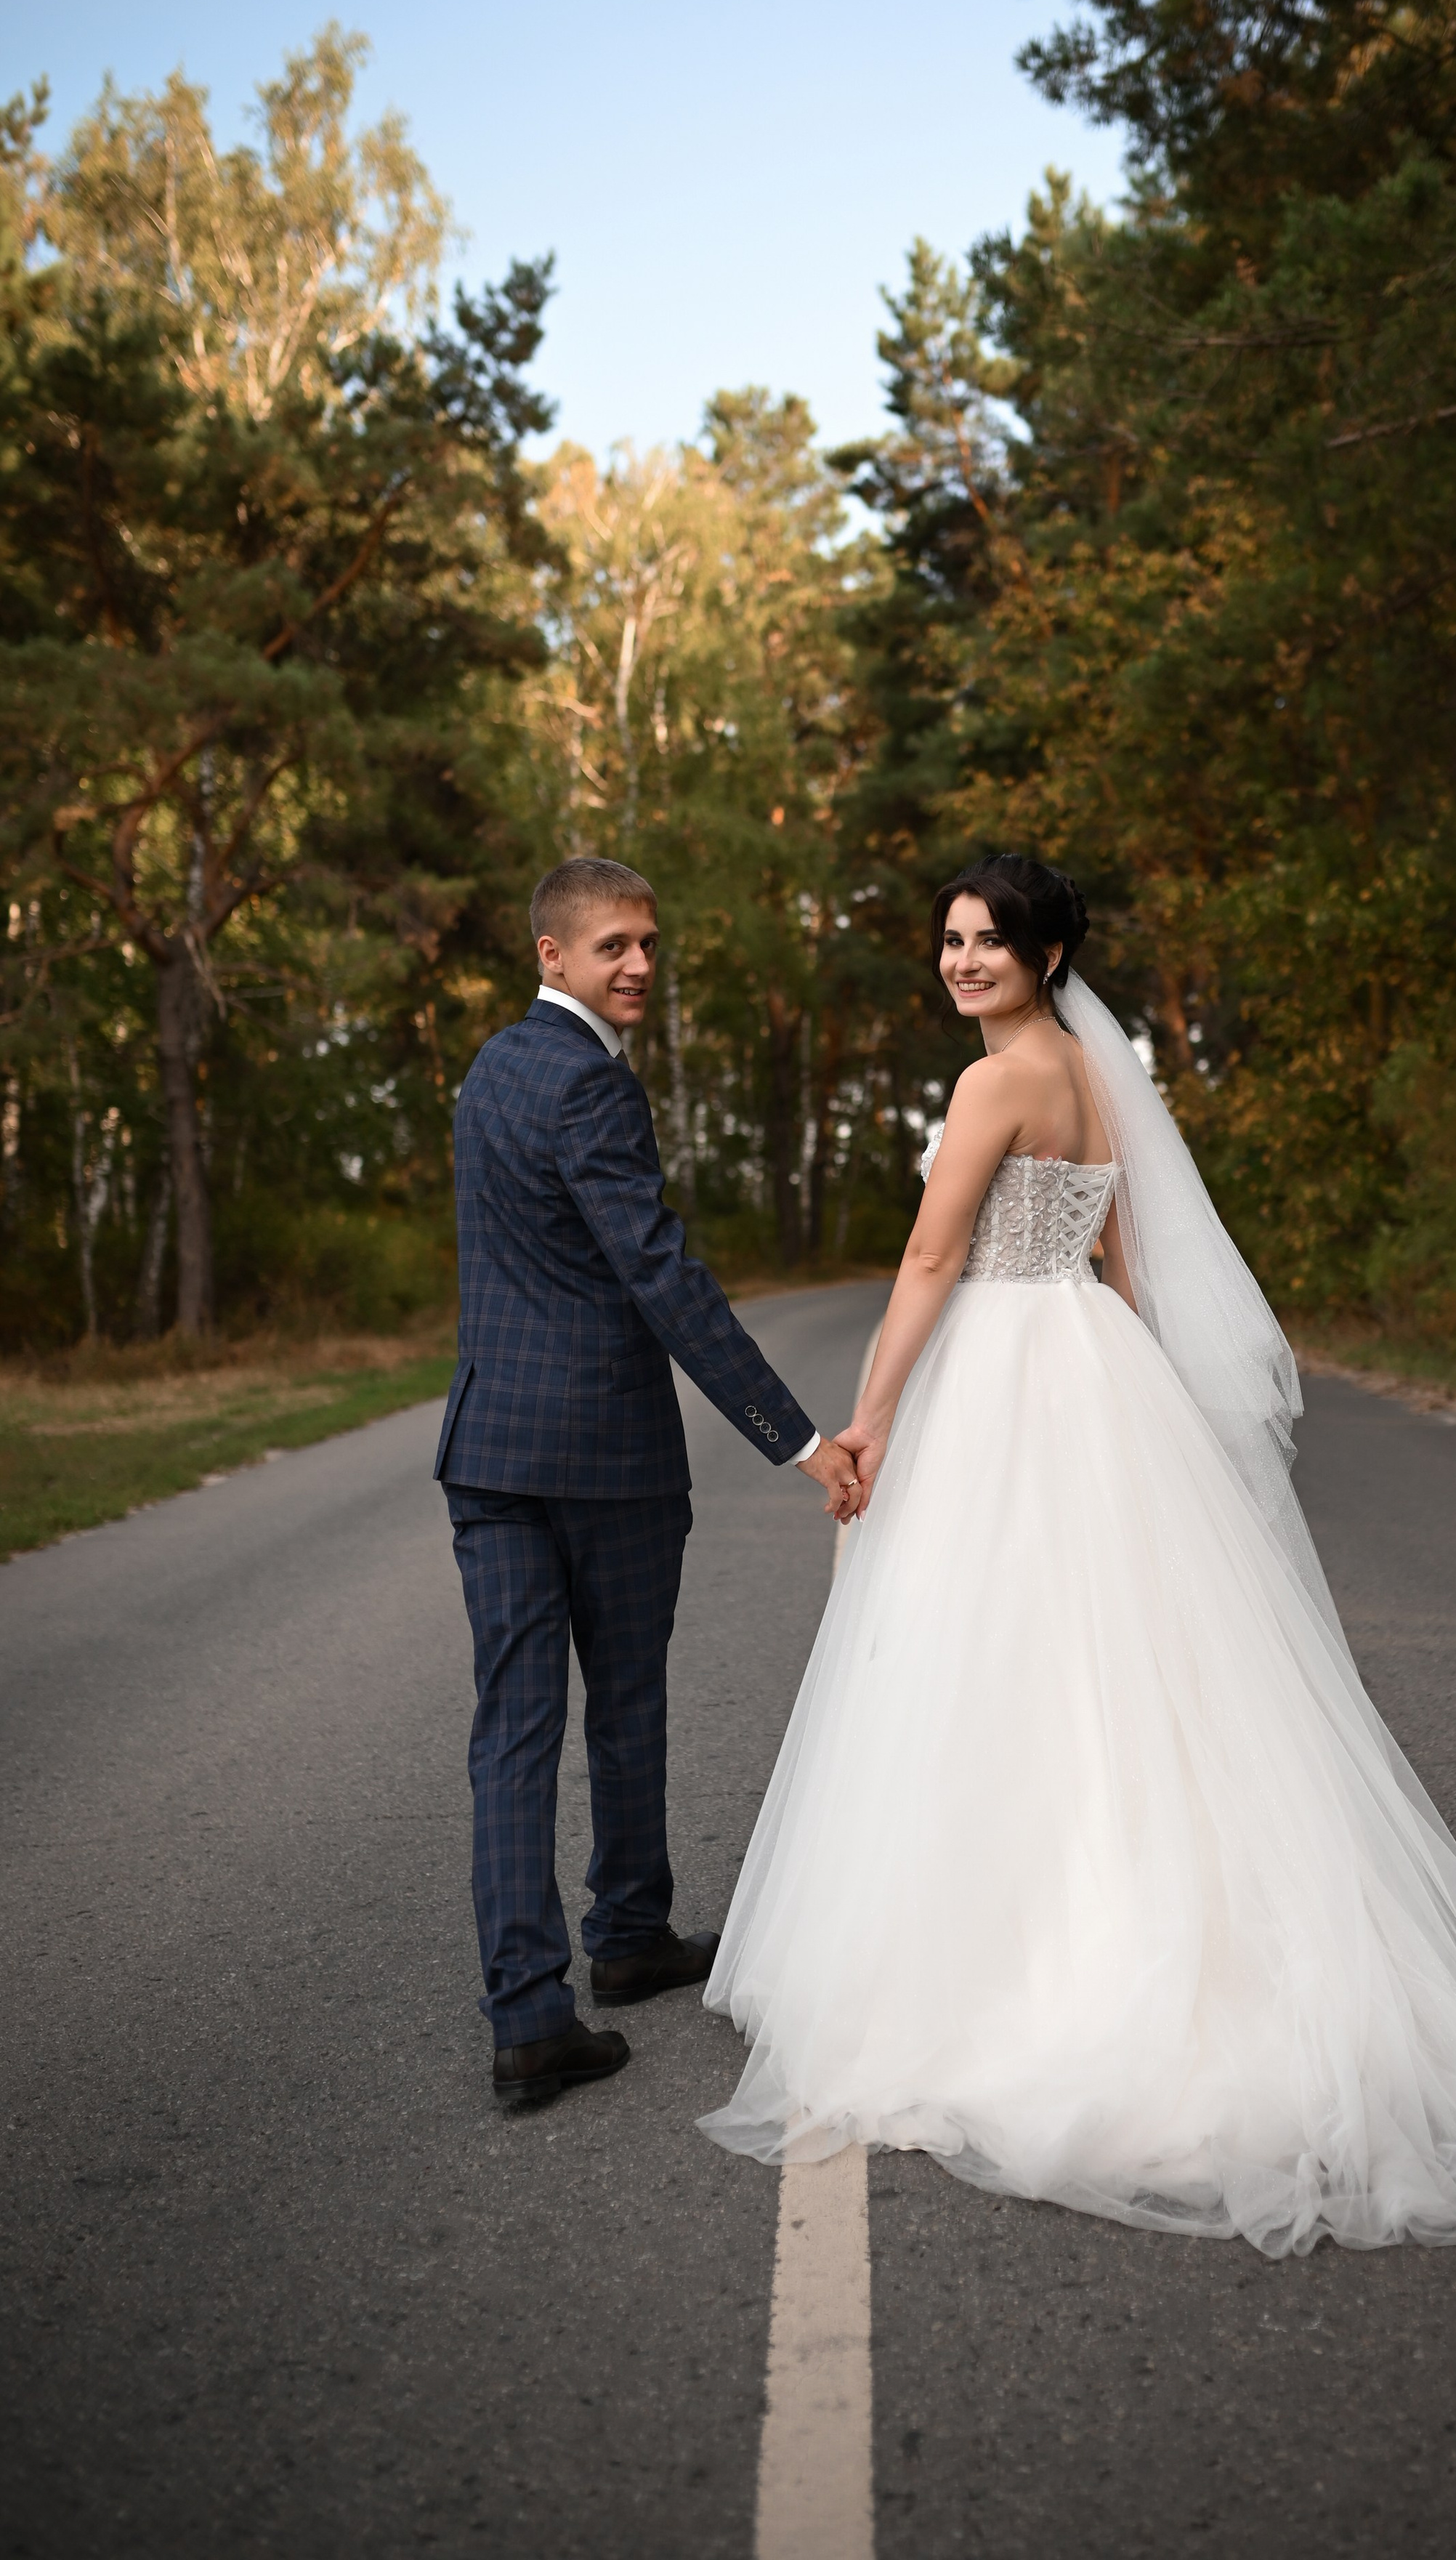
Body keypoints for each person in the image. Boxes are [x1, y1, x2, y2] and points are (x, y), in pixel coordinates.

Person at [699, 854, 1456, 2253]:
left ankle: (1004, 1967)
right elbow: (1121, 1254)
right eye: (951, 939)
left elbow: (932, 1265)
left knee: (987, 1657)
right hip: (1089, 1363)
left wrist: (865, 1422)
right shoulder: (1093, 1077)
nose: (964, 959)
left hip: (1001, 1362)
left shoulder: (995, 1084)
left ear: (1051, 958)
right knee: (1126, 1666)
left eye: (993, 941)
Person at [436, 857, 859, 2103]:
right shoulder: (592, 1089)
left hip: (487, 1448)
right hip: (605, 1459)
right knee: (620, 1704)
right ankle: (618, 1942)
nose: (638, 966)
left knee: (513, 1730)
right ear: (551, 956)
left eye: (649, 945)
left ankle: (543, 2004)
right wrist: (795, 1436)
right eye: (613, 945)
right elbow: (660, 1275)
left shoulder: (488, 1073)